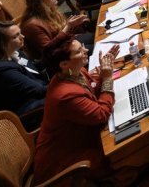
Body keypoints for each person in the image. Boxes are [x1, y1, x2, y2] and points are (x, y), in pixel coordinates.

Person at [34, 34, 131, 185]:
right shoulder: (64, 95)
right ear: (64, 64)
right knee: (126, 151)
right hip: (64, 160)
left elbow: (92, 93)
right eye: (79, 51)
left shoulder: (74, 72)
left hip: (80, 136)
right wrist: (106, 79)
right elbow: (101, 114)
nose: (86, 50)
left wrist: (106, 70)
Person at [0, 21, 48, 127]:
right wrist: (65, 79)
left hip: (30, 97)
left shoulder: (16, 52)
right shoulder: (2, 72)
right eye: (16, 36)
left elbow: (34, 68)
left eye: (20, 33)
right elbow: (39, 91)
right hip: (22, 116)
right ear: (1, 44)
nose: (22, 36)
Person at [20, 0, 91, 61]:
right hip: (58, 58)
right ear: (40, 2)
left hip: (65, 43)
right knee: (95, 47)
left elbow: (60, 31)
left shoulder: (49, 10)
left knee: (95, 38)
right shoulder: (32, 26)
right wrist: (68, 26)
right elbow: (48, 51)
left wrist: (75, 24)